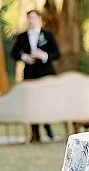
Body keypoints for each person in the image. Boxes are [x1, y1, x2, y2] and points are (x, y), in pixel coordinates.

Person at [11, 9, 60, 142]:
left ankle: (48, 127)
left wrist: (43, 55)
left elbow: (56, 54)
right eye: (28, 18)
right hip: (30, 74)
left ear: (39, 18)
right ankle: (35, 133)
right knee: (31, 103)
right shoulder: (22, 36)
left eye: (33, 18)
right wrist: (24, 57)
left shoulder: (47, 35)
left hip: (45, 74)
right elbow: (14, 53)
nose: (30, 21)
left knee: (44, 102)